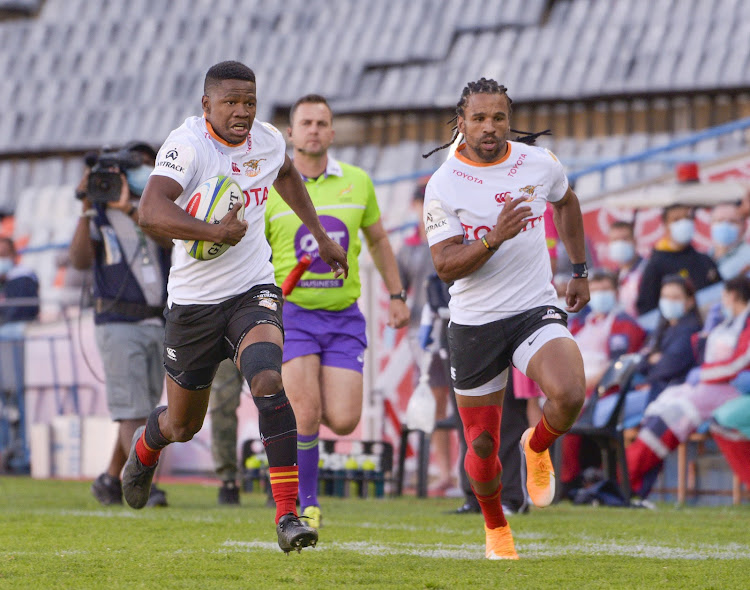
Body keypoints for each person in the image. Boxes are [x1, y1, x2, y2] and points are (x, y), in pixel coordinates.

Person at [128, 62, 349, 553]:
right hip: (193, 304)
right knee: (183, 426)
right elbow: (150, 210)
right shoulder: (188, 146)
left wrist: (318, 235)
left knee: (269, 381)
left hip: (252, 289)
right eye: (230, 102)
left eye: (249, 102)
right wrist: (214, 232)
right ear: (206, 105)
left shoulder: (268, 141)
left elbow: (287, 172)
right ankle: (146, 447)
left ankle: (287, 515)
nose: (242, 112)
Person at [423, 78, 588, 559]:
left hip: (532, 309)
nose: (490, 127)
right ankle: (497, 531)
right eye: (479, 118)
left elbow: (567, 202)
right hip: (474, 322)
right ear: (461, 123)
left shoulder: (539, 163)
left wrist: (579, 270)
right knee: (481, 449)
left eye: (499, 117)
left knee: (569, 392)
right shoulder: (444, 184)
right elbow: (445, 265)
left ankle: (536, 447)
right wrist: (493, 238)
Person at [265, 94, 409, 530]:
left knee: (344, 420)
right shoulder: (271, 187)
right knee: (305, 412)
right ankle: (307, 504)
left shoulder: (358, 181)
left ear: (331, 132)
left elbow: (380, 241)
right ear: (290, 133)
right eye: (305, 122)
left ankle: (298, 426)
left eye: (321, 122)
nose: (313, 129)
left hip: (344, 315)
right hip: (294, 316)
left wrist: (397, 293)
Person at [68, 141, 171, 508]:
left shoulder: (157, 207)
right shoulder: (98, 209)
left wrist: (129, 207)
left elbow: (172, 242)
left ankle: (111, 481)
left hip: (157, 318)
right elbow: (79, 260)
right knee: (131, 410)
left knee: (145, 408)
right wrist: (86, 210)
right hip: (116, 319)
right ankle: (145, 484)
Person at [626, 276, 750, 499]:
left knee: (674, 418)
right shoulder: (726, 323)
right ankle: (626, 480)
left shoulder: (745, 323)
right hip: (709, 387)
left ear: (731, 295)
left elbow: (737, 363)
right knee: (659, 411)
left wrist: (703, 374)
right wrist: (705, 337)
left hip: (727, 389)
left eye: (723, 296)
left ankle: (626, 478)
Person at [397, 180, 455, 492]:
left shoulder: (450, 240)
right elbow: (397, 289)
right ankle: (445, 471)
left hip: (457, 324)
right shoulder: (407, 249)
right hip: (423, 332)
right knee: (436, 400)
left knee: (464, 399)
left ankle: (463, 470)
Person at [636, 204, 720, 315]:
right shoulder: (656, 265)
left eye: (687, 218)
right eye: (676, 220)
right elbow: (646, 306)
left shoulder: (704, 260)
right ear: (666, 225)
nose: (683, 223)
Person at [208, 358, 244, 505]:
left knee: (273, 403)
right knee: (221, 410)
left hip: (268, 337)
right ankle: (227, 480)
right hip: (223, 339)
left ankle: (278, 480)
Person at [606, 220, 647, 317]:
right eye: (615, 240)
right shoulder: (613, 275)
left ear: (634, 241)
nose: (620, 244)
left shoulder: (647, 269)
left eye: (625, 239)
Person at [0, 237, 39, 325]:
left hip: (18, 327)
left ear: (13, 255)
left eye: (3, 255)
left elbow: (20, 312)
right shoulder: (3, 279)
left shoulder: (24, 278)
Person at [709, 203, 750, 281]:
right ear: (711, 224)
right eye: (719, 220)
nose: (725, 225)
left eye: (733, 222)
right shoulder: (702, 257)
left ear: (744, 227)